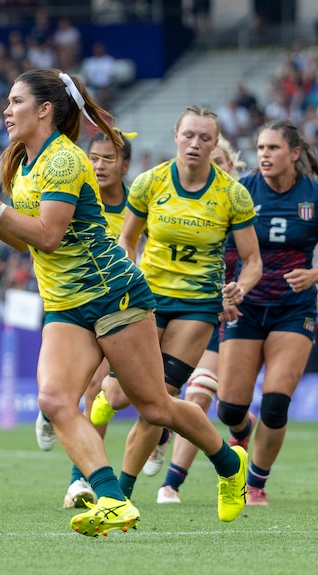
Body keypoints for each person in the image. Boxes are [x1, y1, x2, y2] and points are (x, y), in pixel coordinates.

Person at [0, 69, 249, 536]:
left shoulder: (64, 161)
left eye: (15, 101)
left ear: (45, 109)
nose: (6, 110)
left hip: (111, 295)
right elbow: (27, 242)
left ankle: (230, 464)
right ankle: (111, 500)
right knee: (56, 399)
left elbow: (48, 234)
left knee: (156, 408)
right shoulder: (22, 161)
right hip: (65, 303)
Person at [89, 106, 262, 502]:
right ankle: (228, 464)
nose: (196, 144)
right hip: (148, 299)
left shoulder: (232, 194)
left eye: (205, 138)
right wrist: (122, 278)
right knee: (116, 396)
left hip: (198, 307)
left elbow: (253, 261)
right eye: (189, 136)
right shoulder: (150, 183)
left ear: (216, 143)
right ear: (176, 135)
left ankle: (121, 496)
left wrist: (240, 287)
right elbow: (128, 240)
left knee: (157, 403)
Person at [217, 119, 318, 506]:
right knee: (229, 408)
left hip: (294, 310)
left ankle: (255, 484)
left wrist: (313, 275)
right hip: (247, 305)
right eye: (260, 148)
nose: (264, 155)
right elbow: (222, 250)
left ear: (294, 153)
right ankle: (242, 428)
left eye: (273, 148)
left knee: (276, 403)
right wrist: (223, 293)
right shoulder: (241, 191)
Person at [34, 127, 140, 510]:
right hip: (73, 303)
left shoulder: (139, 204)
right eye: (92, 158)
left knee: (121, 396)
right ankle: (80, 481)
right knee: (92, 387)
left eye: (108, 159)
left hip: (125, 302)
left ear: (125, 165)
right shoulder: (74, 195)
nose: (97, 166)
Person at [156, 136, 249, 504]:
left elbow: (256, 260)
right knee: (164, 394)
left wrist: (236, 291)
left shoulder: (239, 204)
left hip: (230, 312)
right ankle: (160, 433)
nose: (216, 165)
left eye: (222, 160)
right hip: (186, 307)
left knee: (202, 395)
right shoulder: (181, 204)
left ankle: (172, 483)